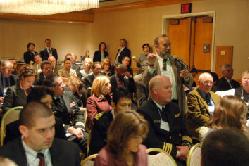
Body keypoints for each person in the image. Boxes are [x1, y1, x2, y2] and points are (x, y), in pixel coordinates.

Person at [0, 102, 81, 166]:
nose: (50, 135)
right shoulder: (5, 157)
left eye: (52, 127)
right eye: (42, 130)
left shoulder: (70, 152)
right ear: (24, 131)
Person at [137, 75, 192, 163]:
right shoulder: (144, 112)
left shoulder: (174, 108)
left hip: (181, 156)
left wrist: (186, 147)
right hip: (159, 159)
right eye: (167, 88)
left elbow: (185, 131)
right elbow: (151, 142)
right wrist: (177, 153)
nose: (170, 90)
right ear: (155, 91)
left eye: (170, 87)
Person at [142, 34, 192, 113]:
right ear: (156, 46)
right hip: (158, 104)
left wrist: (186, 77)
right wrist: (151, 66)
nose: (169, 48)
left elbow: (189, 81)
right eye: (165, 45)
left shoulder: (176, 61)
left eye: (169, 45)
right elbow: (145, 82)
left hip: (176, 103)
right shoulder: (148, 61)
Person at [89, 88, 132, 155]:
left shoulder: (133, 121)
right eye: (123, 105)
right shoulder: (101, 123)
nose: (128, 109)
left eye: (129, 105)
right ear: (113, 105)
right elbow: (96, 151)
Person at [186, 72, 220, 138]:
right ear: (199, 83)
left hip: (215, 124)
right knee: (214, 135)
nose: (209, 84)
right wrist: (213, 123)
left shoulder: (214, 95)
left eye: (211, 82)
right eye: (206, 82)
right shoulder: (193, 95)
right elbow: (196, 115)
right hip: (199, 126)